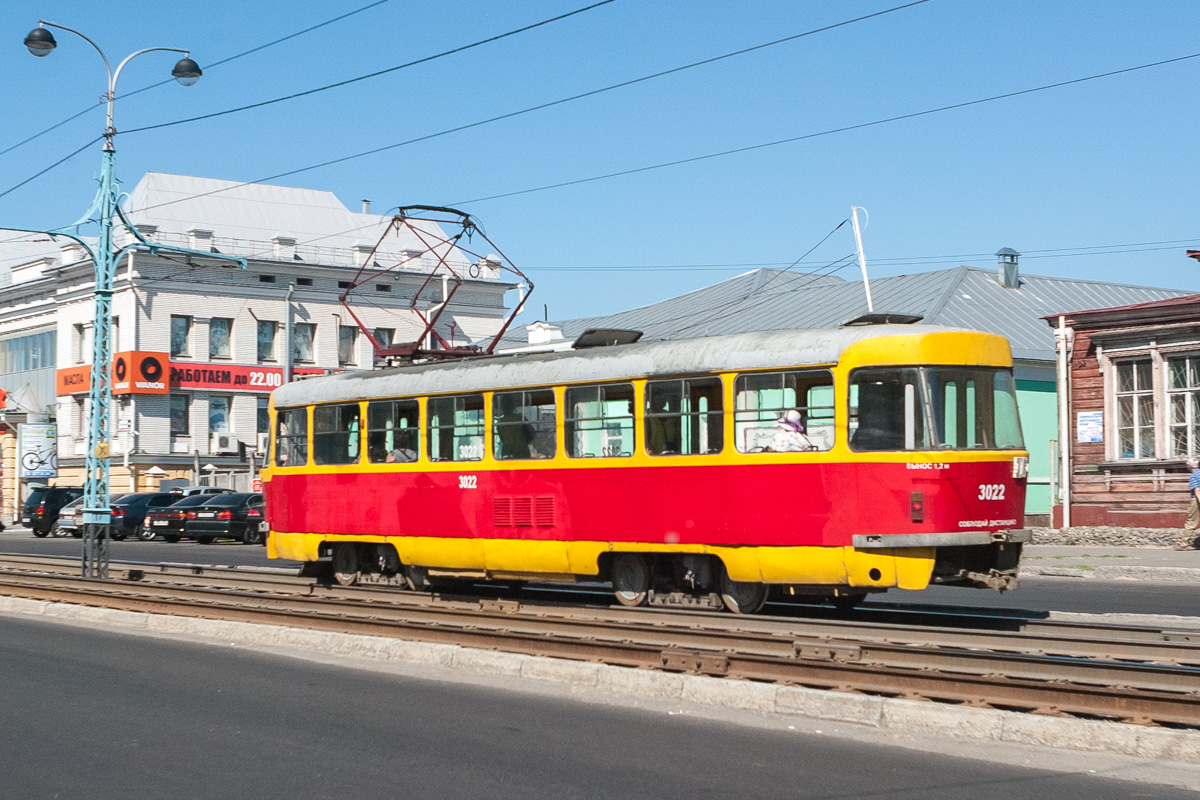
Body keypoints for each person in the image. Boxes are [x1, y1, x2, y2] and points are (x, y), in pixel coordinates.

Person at [1180, 457, 1200, 550]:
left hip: (1197, 500)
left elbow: (1197, 490)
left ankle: (1184, 543)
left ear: (1189, 466)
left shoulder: (1194, 475)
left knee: (1191, 521)